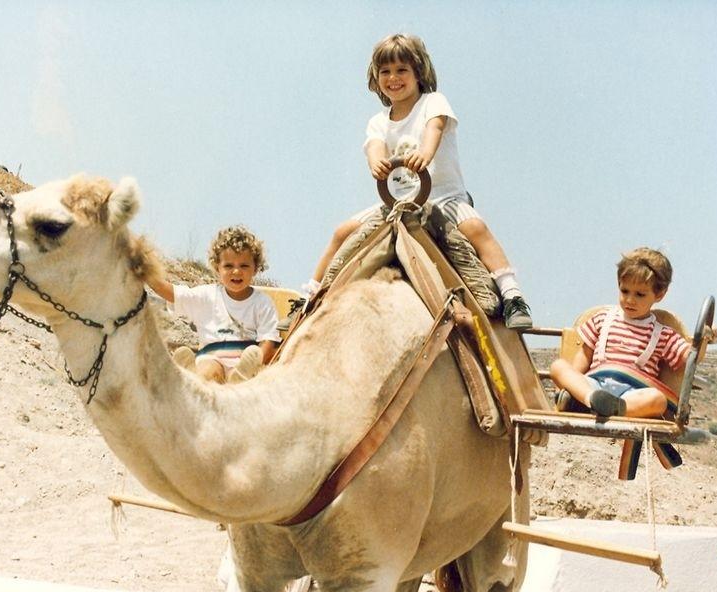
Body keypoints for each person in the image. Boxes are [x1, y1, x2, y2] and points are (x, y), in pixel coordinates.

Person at [307, 33, 532, 329]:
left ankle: (512, 294)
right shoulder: (378, 121)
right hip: (397, 203)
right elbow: (375, 146)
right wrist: (376, 163)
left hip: (443, 196)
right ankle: (309, 298)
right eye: (385, 71)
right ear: (376, 77)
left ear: (418, 73)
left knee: (476, 228)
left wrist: (425, 153)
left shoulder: (433, 103)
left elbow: (434, 128)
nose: (393, 78)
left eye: (402, 70)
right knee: (342, 232)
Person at [550, 247, 691, 418]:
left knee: (658, 399)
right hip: (594, 385)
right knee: (558, 366)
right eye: (625, 291)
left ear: (659, 295)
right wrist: (573, 382)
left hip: (632, 394)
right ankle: (590, 400)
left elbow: (691, 357)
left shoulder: (663, 334)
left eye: (640, 294)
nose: (630, 300)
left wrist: (705, 336)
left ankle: (613, 408)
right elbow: (584, 356)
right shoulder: (602, 319)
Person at [147, 225, 281, 383]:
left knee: (246, 363)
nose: (236, 271)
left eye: (244, 266)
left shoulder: (262, 302)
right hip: (211, 356)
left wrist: (258, 361)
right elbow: (174, 294)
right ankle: (194, 376)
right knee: (209, 371)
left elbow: (268, 341)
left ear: (255, 268)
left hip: (243, 360)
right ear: (218, 268)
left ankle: (238, 379)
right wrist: (146, 274)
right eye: (228, 266)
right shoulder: (207, 295)